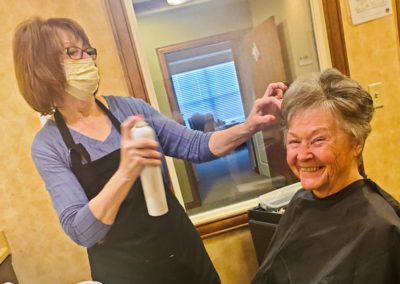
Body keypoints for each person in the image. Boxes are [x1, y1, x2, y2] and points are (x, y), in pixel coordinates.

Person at [12, 17, 286, 284]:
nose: (87, 59)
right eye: (72, 52)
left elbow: (196, 145)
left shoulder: (130, 109)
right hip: (124, 271)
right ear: (42, 68)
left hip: (182, 252)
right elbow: (81, 230)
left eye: (88, 50)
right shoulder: (49, 146)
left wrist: (249, 126)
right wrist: (126, 172)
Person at [252, 68, 400, 284]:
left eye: (318, 140)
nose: (303, 155)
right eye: (294, 141)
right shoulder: (300, 203)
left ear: (356, 143)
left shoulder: (382, 229)